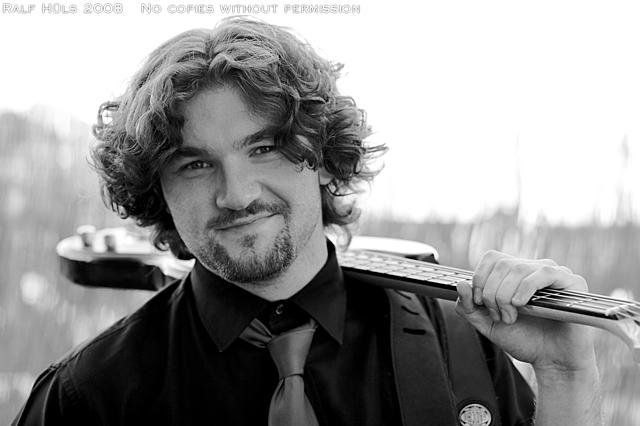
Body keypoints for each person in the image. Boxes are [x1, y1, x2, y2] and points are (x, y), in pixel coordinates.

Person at [13, 16, 602, 425]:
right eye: (195, 164)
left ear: (322, 156)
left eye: (265, 148)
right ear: (157, 192)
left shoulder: (463, 347)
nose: (237, 194)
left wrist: (565, 374)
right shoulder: (88, 398)